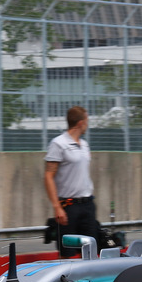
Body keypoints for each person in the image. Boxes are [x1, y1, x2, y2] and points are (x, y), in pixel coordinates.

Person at [44, 106, 103, 257]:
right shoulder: (58, 144)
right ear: (80, 123)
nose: (87, 125)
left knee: (91, 250)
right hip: (68, 207)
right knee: (67, 253)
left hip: (87, 204)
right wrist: (57, 207)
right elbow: (48, 176)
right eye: (87, 121)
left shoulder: (84, 145)